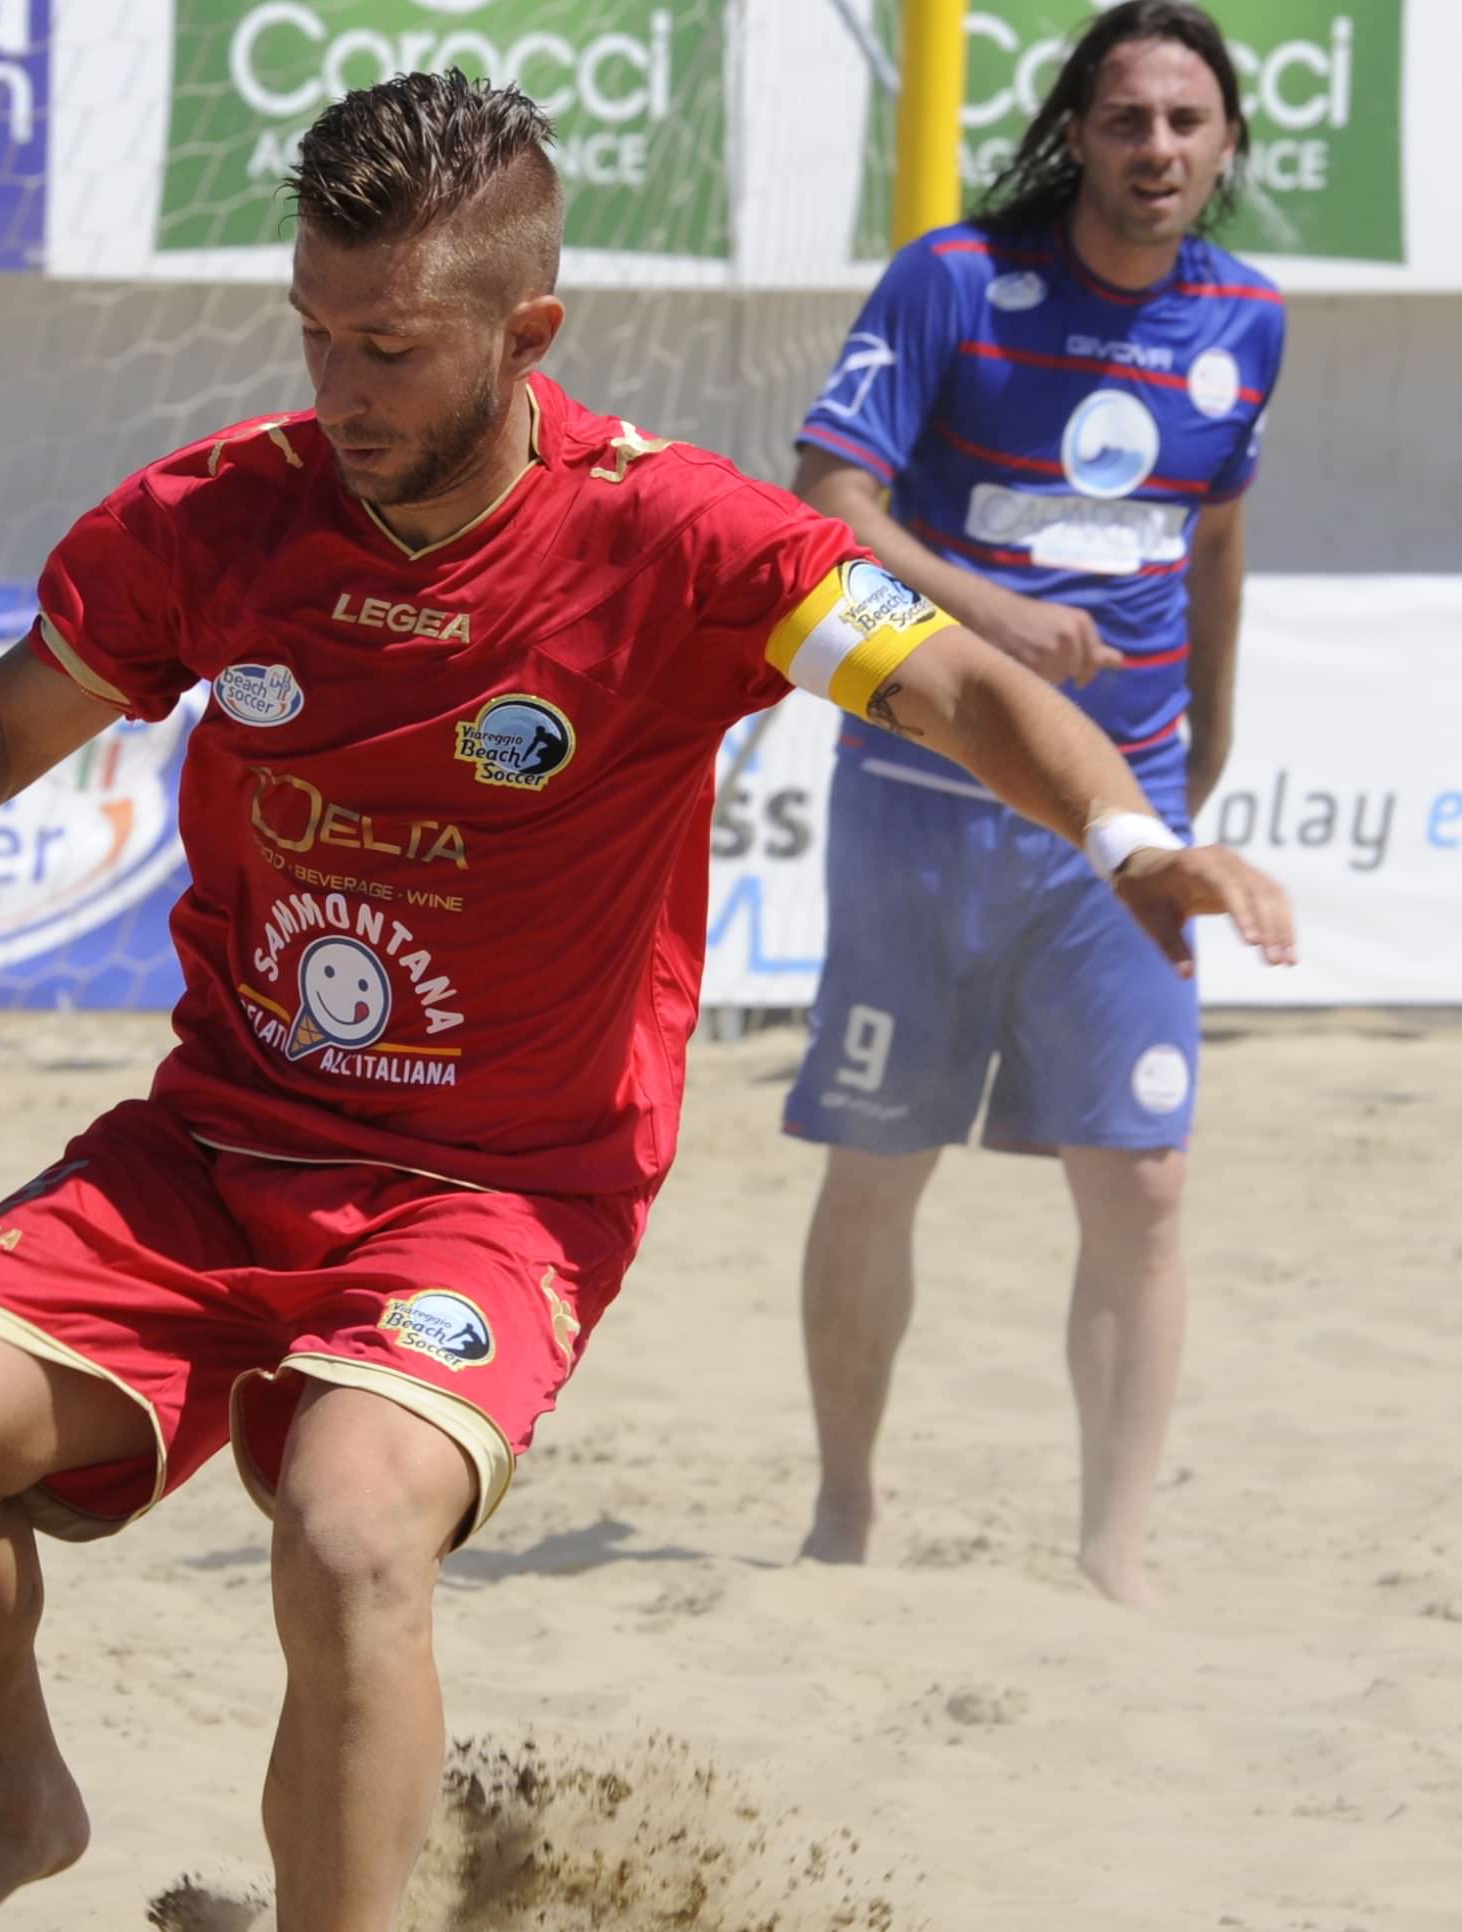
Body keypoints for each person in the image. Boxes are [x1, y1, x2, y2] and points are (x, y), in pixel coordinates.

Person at [0, 69, 1291, 1932]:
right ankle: (13, 1809)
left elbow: (964, 689)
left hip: (500, 1186)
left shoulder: (678, 540)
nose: (339, 392)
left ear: (528, 330)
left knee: (347, 1527)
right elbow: (4, 719)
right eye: (315, 335)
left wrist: (1131, 839)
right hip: (217, 1140)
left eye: (390, 350)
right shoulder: (219, 518)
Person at [781, 0, 1286, 1606]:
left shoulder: (1249, 320)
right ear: (1077, 132)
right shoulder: (952, 281)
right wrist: (982, 615)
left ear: (1224, 149)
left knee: (1143, 1181)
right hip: (920, 794)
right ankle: (847, 1512)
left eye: (1186, 124)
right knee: (879, 1159)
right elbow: (831, 503)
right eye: (1127, 118)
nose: (1156, 149)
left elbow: (1212, 540)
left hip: (1119, 824)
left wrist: (1201, 754)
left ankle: (1113, 1551)